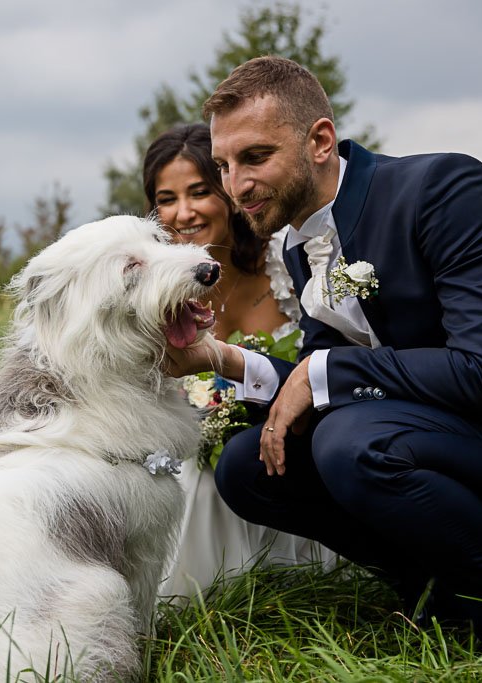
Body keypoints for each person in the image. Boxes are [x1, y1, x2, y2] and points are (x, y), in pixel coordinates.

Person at [163, 56, 482, 655]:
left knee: (350, 442)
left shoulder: (443, 189)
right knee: (249, 466)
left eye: (255, 157)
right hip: (440, 432)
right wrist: (223, 359)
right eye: (223, 164)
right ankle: (439, 596)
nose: (235, 184)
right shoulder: (300, 245)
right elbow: (321, 382)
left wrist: (323, 372)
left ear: (320, 141)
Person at [143, 122, 336, 598]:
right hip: (197, 446)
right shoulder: (152, 290)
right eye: (166, 199)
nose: (183, 213)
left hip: (301, 435)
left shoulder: (286, 264)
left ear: (228, 193)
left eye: (199, 192)